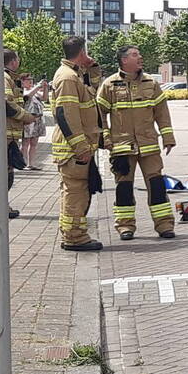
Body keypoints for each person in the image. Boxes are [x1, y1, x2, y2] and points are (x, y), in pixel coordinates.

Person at [97, 45, 176, 240]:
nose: (140, 57)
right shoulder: (109, 84)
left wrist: (168, 137)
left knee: (157, 185)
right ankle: (125, 226)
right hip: (122, 148)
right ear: (124, 60)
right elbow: (99, 114)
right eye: (135, 55)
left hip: (149, 145)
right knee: (124, 188)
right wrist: (106, 138)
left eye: (139, 54)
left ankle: (165, 225)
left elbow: (162, 113)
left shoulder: (151, 83)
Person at [52, 36, 103, 251]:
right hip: (74, 151)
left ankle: (73, 234)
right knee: (76, 193)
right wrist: (81, 147)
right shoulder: (68, 78)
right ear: (82, 52)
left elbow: (93, 90)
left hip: (77, 149)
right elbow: (66, 114)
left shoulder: (75, 75)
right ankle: (74, 237)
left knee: (76, 192)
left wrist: (93, 69)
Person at [4, 50, 39, 219]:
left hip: (9, 135)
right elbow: (6, 104)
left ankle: (4, 205)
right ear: (13, 61)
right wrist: (26, 117)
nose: (19, 61)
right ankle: (3, 207)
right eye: (18, 58)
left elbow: (16, 102)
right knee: (5, 173)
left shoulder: (10, 78)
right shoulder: (4, 78)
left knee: (8, 171)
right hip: (4, 135)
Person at [21, 74, 49, 170]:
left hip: (38, 120)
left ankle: (31, 164)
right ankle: (23, 163)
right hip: (28, 120)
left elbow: (45, 98)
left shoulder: (35, 92)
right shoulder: (23, 91)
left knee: (34, 143)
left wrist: (45, 87)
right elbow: (27, 96)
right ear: (23, 81)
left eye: (31, 79)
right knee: (26, 143)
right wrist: (38, 86)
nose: (30, 81)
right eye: (28, 79)